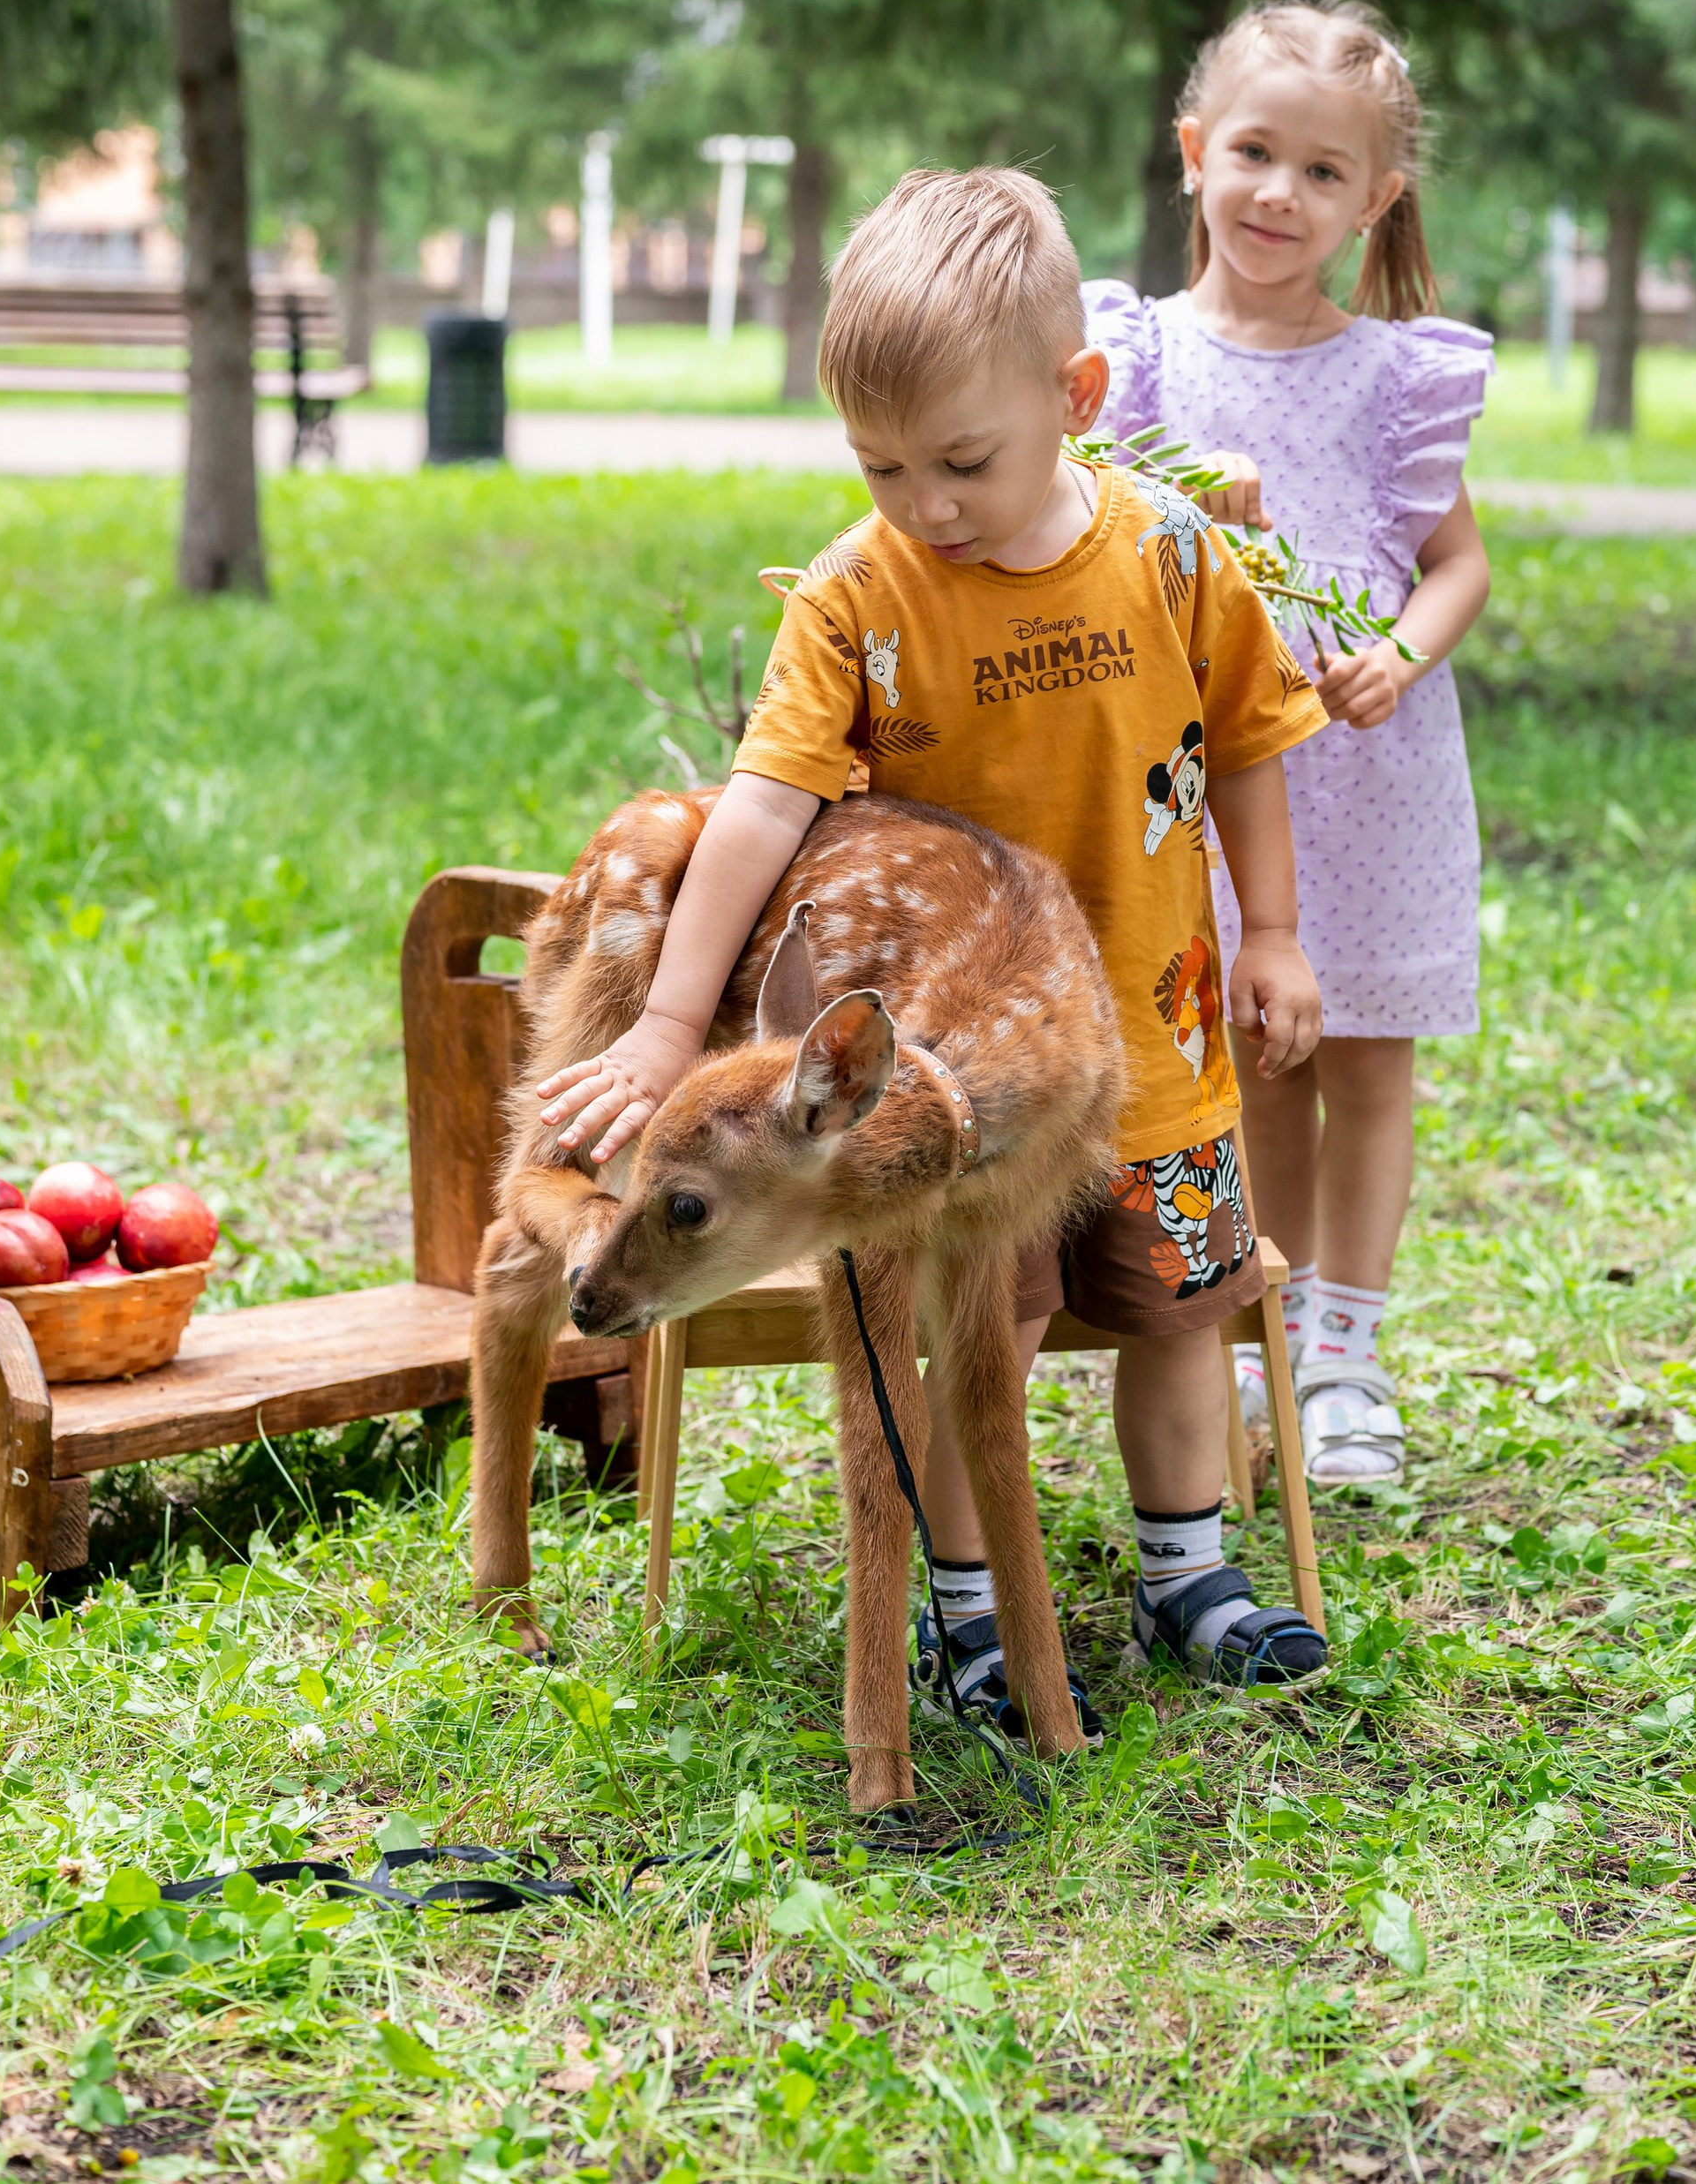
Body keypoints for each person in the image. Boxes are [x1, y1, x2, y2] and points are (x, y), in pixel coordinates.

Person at [533, 164, 1333, 1721]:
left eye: (962, 461)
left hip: (1159, 1049)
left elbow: (1245, 746)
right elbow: (760, 810)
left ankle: (1192, 1576)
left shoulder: (1174, 557)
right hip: (953, 1088)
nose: (924, 505)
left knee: (1183, 1311)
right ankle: (967, 1612)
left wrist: (1280, 930)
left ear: (1077, 395)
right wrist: (659, 1023)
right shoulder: (852, 594)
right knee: (985, 1329)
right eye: (881, 465)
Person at [1085, 0, 1493, 1494]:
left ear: (1373, 202)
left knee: (1370, 1065)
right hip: (1208, 774)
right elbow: (1086, 534)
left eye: (1326, 173)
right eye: (1255, 152)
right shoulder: (1132, 368)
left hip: (1370, 774)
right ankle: (1253, 1329)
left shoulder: (1398, 377)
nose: (1281, 193)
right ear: (1194, 154)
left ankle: (1349, 1356)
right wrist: (1187, 503)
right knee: (1255, 1055)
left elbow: (1457, 564)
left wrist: (1400, 650)